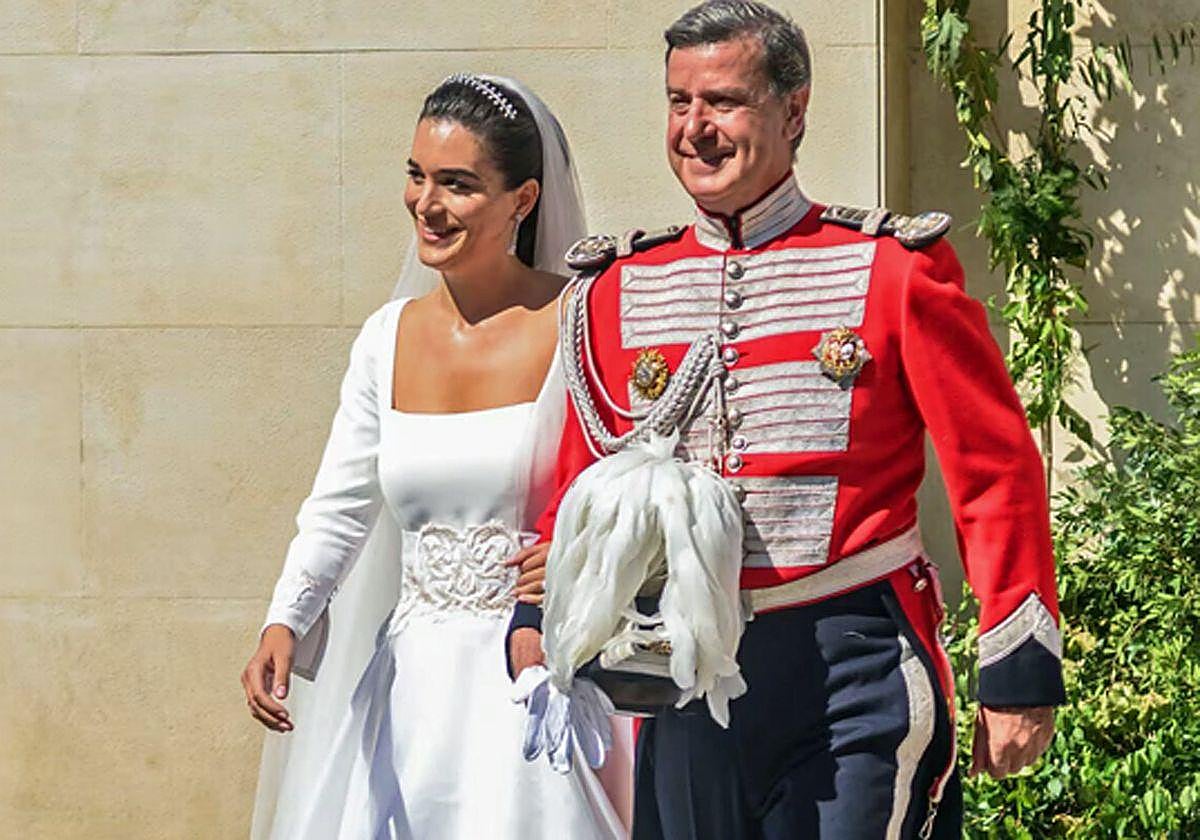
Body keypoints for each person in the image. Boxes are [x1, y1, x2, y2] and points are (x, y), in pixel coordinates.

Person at [507, 2, 1065, 837]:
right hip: (676, 670)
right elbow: (588, 476)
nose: (695, 128)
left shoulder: (893, 271)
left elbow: (994, 469)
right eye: (679, 102)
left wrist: (1018, 668)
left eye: (724, 102)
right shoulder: (619, 287)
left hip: (853, 666)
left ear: (793, 111)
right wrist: (536, 617)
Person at [242, 73, 628, 839]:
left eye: (457, 184)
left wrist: (584, 554)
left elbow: (631, 476)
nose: (427, 203)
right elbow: (339, 506)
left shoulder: (581, 319)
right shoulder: (385, 338)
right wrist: (286, 618)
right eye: (417, 176)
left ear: (522, 199)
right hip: (409, 688)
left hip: (530, 673)